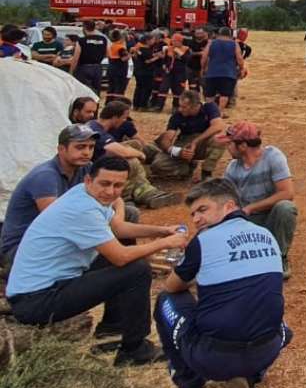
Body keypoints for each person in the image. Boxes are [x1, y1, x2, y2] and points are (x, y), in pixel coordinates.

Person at [5, 156, 187, 366]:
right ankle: (134, 350)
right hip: (37, 300)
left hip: (44, 288)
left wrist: (163, 231)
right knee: (136, 270)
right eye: (105, 183)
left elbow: (118, 228)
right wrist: (165, 243)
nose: (110, 191)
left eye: (118, 185)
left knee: (121, 260)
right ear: (89, 181)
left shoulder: (83, 195)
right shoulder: (82, 210)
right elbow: (120, 257)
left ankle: (112, 330)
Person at [155, 178, 292, 388]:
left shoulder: (203, 241)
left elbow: (171, 287)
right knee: (277, 323)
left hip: (212, 358)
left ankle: (189, 386)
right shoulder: (268, 235)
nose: (197, 219)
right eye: (193, 214)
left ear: (229, 206)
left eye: (202, 209)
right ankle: (250, 375)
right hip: (268, 349)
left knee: (165, 299)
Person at [1, 124, 95, 265]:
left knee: (128, 213)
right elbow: (55, 221)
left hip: (53, 239)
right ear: (61, 149)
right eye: (80, 147)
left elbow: (111, 200)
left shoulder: (85, 168)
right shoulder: (45, 176)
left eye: (91, 147)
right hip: (22, 247)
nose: (87, 152)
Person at [222, 121, 297, 280]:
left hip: (269, 217)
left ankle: (279, 256)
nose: (227, 148)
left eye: (230, 144)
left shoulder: (273, 157)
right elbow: (224, 198)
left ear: (242, 146)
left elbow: (287, 193)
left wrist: (251, 208)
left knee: (286, 207)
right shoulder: (232, 168)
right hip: (247, 223)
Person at [88, 102, 181, 209]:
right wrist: (140, 154)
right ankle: (140, 193)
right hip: (95, 167)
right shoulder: (98, 130)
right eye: (123, 118)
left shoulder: (94, 124)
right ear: (114, 117)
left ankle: (140, 190)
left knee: (134, 145)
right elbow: (120, 151)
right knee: (131, 160)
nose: (124, 121)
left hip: (99, 159)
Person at [151, 90, 228, 183]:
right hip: (184, 143)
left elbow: (218, 126)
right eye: (180, 106)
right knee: (158, 165)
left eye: (184, 107)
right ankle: (186, 169)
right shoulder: (177, 116)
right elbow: (167, 139)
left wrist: (195, 141)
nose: (180, 109)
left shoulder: (209, 107)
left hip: (202, 143)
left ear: (195, 106)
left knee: (220, 139)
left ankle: (206, 173)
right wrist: (177, 152)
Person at [201, 26, 246, 114]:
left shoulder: (211, 43)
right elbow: (239, 58)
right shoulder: (234, 44)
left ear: (218, 34)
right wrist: (241, 68)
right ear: (229, 35)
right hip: (228, 73)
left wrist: (203, 68)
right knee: (224, 94)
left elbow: (204, 57)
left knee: (210, 95)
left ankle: (211, 112)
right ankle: (219, 112)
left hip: (212, 72)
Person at [69, 19, 108, 91]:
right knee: (96, 90)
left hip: (83, 68)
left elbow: (76, 57)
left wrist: (71, 71)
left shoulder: (82, 40)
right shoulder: (103, 39)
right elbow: (107, 53)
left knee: (83, 90)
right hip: (97, 68)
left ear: (84, 27)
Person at [132, 32, 166, 111]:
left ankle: (135, 105)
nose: (154, 41)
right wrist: (158, 57)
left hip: (138, 71)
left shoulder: (139, 48)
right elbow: (148, 60)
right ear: (148, 41)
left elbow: (145, 56)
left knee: (138, 88)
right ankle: (143, 106)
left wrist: (155, 55)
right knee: (146, 89)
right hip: (146, 72)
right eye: (153, 40)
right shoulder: (146, 49)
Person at [163, 33, 193, 112]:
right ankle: (158, 106)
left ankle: (176, 107)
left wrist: (179, 52)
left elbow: (187, 60)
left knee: (178, 90)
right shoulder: (168, 49)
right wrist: (165, 66)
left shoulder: (186, 49)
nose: (174, 43)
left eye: (176, 41)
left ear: (180, 42)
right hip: (169, 72)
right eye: (173, 41)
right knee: (163, 88)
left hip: (180, 73)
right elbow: (165, 60)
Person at [106, 28, 130, 100]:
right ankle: (117, 102)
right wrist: (130, 54)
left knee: (111, 87)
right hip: (120, 70)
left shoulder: (111, 46)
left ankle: (109, 102)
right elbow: (124, 58)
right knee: (119, 88)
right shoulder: (120, 47)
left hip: (111, 69)